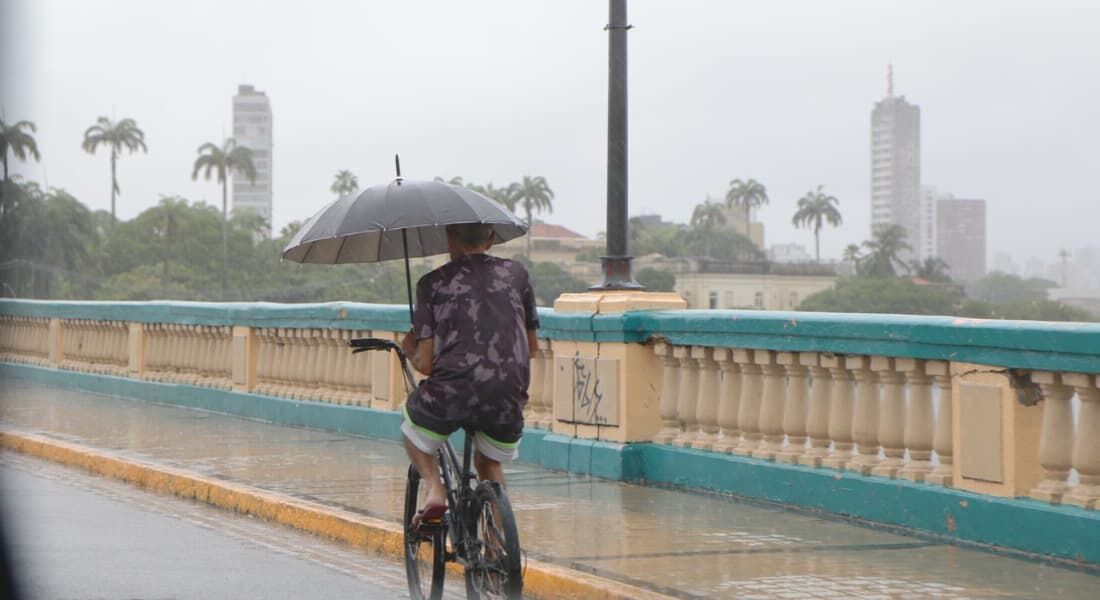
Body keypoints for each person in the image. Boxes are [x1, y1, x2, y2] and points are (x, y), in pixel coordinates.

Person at [400, 222, 539, 523]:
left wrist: (409, 346)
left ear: (449, 236)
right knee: (490, 466)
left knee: (411, 429)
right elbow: (532, 346)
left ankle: (434, 490)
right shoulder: (517, 275)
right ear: (490, 239)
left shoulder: (431, 283)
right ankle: (497, 546)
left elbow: (425, 364)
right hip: (507, 393)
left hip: (454, 394)